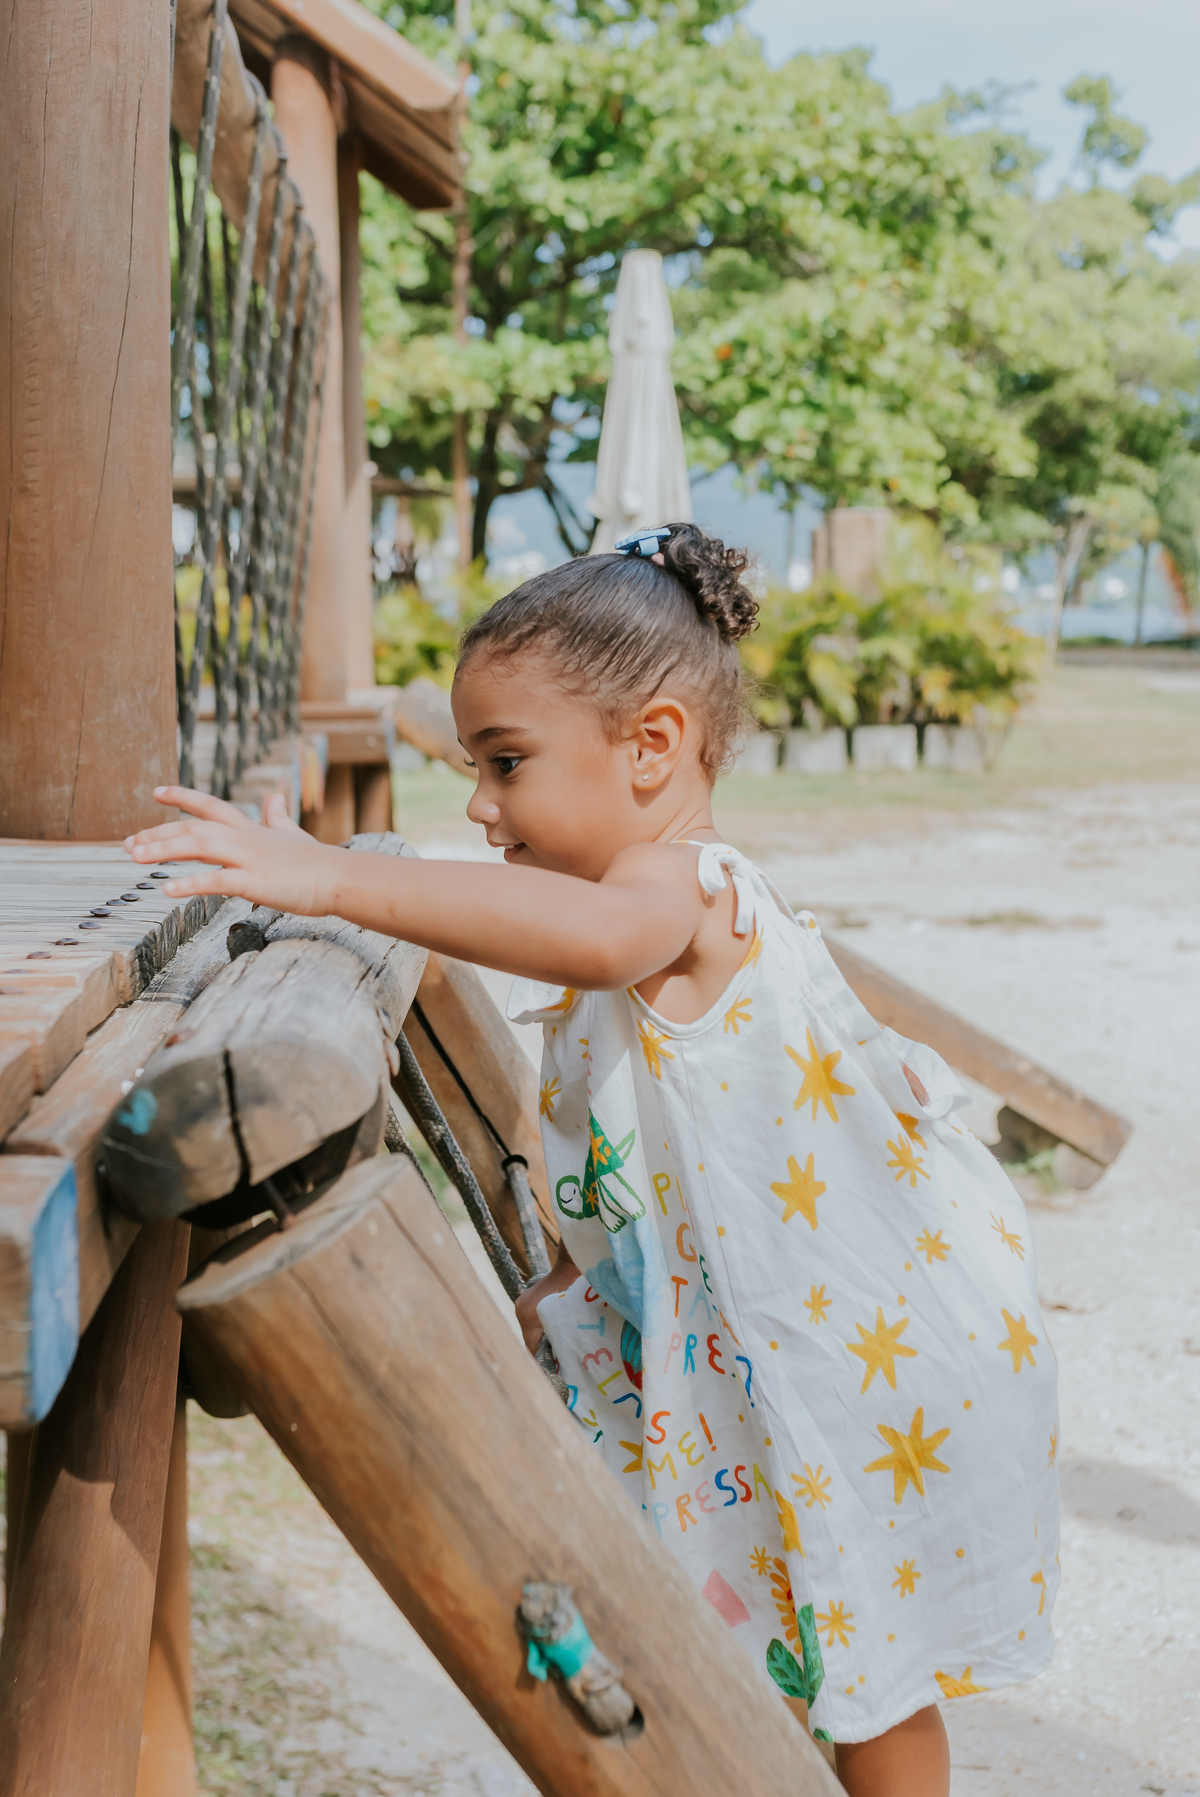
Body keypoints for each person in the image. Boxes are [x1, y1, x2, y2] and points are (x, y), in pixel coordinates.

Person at [127, 523, 1059, 1795]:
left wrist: (333, 876)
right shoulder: (645, 899)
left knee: (862, 1665)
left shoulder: (675, 892)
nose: (476, 802)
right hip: (776, 1344)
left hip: (853, 1358)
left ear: (653, 747)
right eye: (473, 765)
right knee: (780, 1640)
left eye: (505, 762)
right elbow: (660, 1152)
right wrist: (588, 1281)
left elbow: (590, 937)